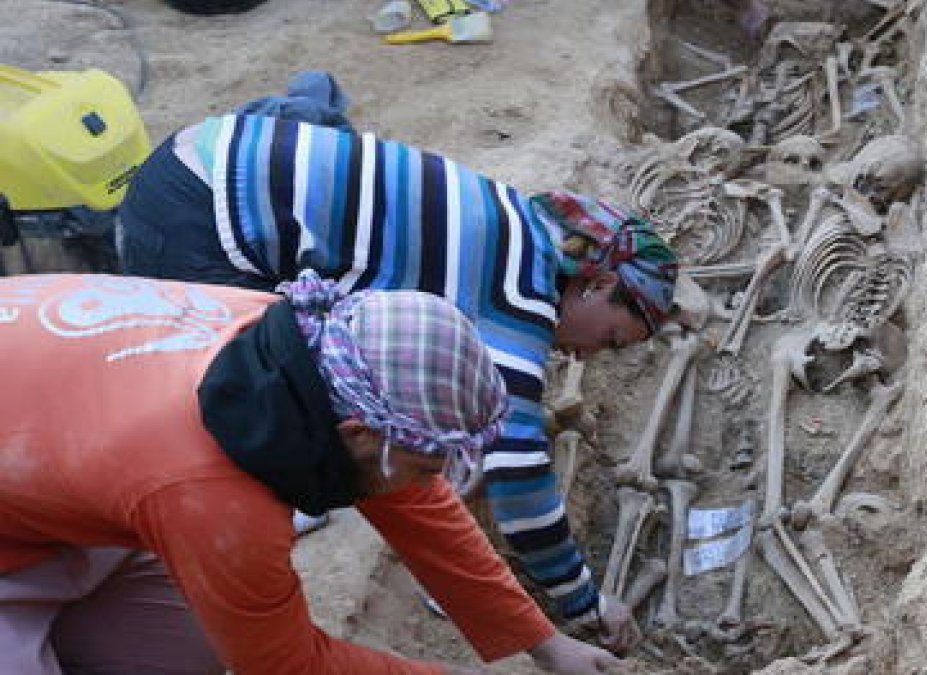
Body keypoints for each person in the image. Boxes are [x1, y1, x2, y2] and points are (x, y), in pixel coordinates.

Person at [116, 111, 679, 646]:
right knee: (250, 404)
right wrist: (582, 602)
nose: (585, 358)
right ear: (597, 284)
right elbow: (516, 465)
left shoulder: (517, 226)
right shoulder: (522, 293)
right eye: (608, 338)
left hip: (208, 156)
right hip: (199, 210)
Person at [0, 270, 622, 674]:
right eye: (425, 462)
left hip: (56, 475)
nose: (429, 481)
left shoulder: (306, 343)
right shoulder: (217, 499)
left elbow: (412, 499)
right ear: (358, 434)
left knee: (188, 658)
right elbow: (288, 667)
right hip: (60, 493)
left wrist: (547, 644)